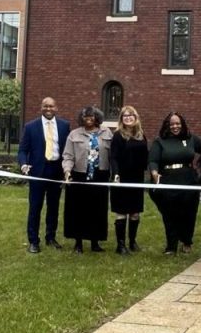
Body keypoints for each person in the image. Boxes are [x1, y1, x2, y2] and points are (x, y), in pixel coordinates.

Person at [17, 96, 71, 253]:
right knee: (35, 207)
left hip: (56, 171)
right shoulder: (30, 126)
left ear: (56, 108)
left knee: (53, 207)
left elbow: (67, 150)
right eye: (45, 106)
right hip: (37, 172)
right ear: (41, 108)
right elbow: (22, 150)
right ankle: (33, 241)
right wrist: (23, 164)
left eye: (51, 106)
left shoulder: (64, 126)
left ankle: (51, 237)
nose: (48, 109)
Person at [148, 111, 201, 254]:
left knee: (189, 212)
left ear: (182, 124)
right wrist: (154, 173)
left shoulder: (190, 139)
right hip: (168, 181)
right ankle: (171, 245)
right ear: (167, 125)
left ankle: (186, 241)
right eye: (172, 124)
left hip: (188, 180)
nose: (175, 126)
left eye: (178, 123)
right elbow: (153, 160)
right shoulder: (160, 141)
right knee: (170, 214)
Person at [62, 106, 112, 253]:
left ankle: (95, 242)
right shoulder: (74, 134)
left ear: (97, 118)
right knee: (78, 210)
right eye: (85, 116)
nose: (88, 119)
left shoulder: (107, 133)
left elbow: (113, 156)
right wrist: (67, 171)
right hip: (79, 175)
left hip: (100, 176)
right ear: (81, 118)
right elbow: (68, 156)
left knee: (97, 209)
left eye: (91, 116)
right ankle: (78, 243)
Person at [109, 105, 148, 255]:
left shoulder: (141, 135)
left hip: (136, 178)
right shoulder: (118, 135)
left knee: (135, 212)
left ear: (135, 117)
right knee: (121, 212)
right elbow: (113, 157)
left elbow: (145, 156)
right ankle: (120, 245)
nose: (128, 118)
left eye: (130, 115)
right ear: (121, 119)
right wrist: (116, 174)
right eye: (125, 116)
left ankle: (132, 241)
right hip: (122, 178)